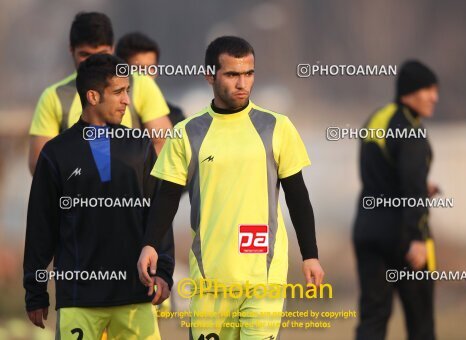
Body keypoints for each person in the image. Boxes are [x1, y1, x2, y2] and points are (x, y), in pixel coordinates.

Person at [137, 36, 325, 340]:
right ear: (210, 76)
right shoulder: (187, 133)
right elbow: (168, 196)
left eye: (248, 73)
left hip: (264, 274)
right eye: (232, 74)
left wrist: (310, 255)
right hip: (211, 278)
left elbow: (297, 195)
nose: (243, 83)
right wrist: (150, 244)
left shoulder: (277, 127)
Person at [23, 54, 173, 339]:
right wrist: (35, 291)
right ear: (92, 96)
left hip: (136, 297)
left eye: (127, 91)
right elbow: (41, 226)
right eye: (118, 92)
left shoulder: (139, 147)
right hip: (79, 300)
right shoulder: (55, 154)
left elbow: (157, 213)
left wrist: (163, 271)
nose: (127, 100)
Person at [353, 60, 440, 340]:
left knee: (373, 320)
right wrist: (416, 237)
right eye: (427, 89)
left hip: (367, 231)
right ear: (409, 92)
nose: (434, 97)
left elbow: (382, 172)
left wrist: (416, 187)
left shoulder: (377, 117)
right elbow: (412, 184)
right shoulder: (411, 130)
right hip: (405, 236)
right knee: (421, 324)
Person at [28, 12, 171, 175]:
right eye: (85, 54)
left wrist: (138, 185)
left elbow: (163, 141)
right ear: (71, 50)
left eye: (102, 54)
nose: (93, 61)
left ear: (113, 48)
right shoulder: (54, 96)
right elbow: (40, 163)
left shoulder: (140, 84)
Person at [115, 31, 186, 127]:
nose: (144, 77)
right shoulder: (109, 113)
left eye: (151, 68)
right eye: (138, 70)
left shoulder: (174, 116)